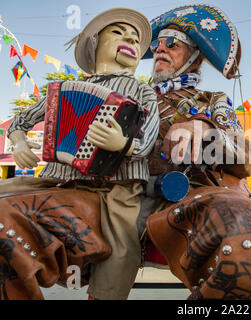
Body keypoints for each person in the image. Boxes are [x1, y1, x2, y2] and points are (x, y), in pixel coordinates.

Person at [140, 4, 251, 300]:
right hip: (133, 197)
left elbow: (244, 159)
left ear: (196, 57)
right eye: (156, 43)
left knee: (250, 225)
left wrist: (205, 131)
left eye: (172, 43)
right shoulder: (134, 97)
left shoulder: (213, 100)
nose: (161, 49)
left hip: (198, 198)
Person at [0, 8, 159, 300]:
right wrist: (20, 143)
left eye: (136, 40)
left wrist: (122, 143)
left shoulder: (141, 91)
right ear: (94, 43)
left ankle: (105, 294)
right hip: (58, 180)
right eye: (118, 32)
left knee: (123, 244)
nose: (130, 40)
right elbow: (20, 121)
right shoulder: (60, 89)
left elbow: (147, 139)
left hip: (116, 186)